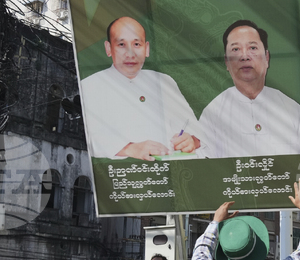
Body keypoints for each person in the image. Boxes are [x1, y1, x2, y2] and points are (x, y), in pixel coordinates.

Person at [80, 16, 206, 160]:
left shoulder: (164, 81)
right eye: (121, 44)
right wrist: (130, 148)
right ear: (109, 49)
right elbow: (85, 139)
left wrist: (191, 140)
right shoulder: (88, 86)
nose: (130, 53)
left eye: (137, 44)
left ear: (146, 49)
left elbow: (194, 130)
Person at [198, 20, 300, 158]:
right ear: (227, 62)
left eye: (252, 48)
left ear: (267, 58)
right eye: (235, 49)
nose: (244, 56)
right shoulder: (213, 113)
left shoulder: (292, 110)